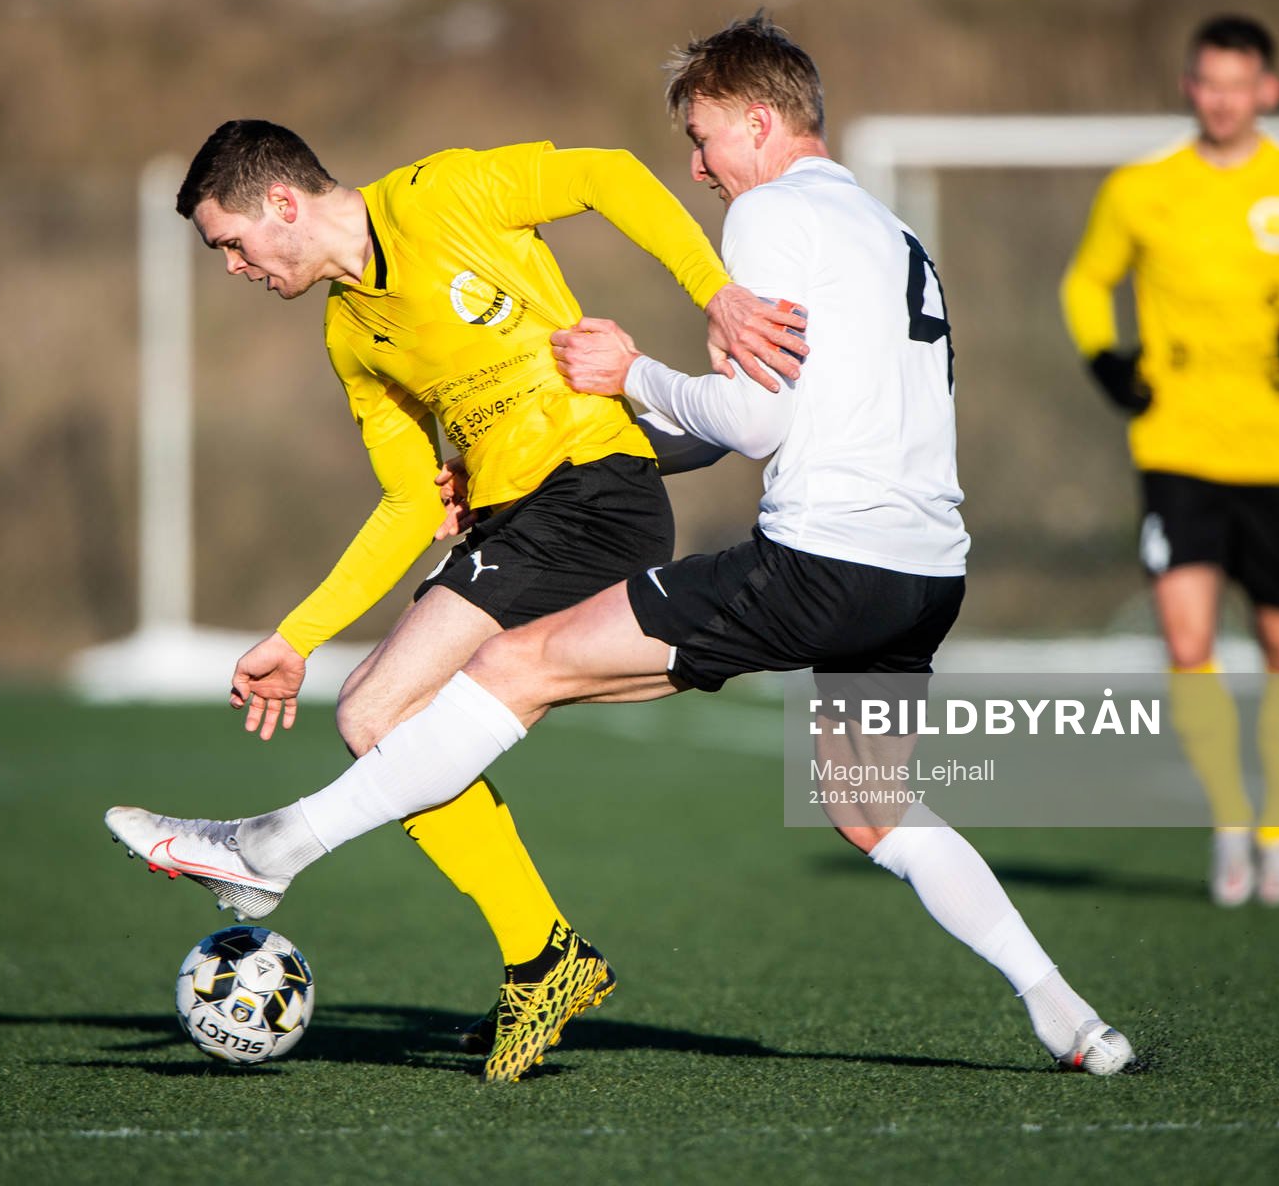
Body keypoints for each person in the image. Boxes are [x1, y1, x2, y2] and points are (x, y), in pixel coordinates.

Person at [110, 14, 1134, 1082]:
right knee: (872, 809)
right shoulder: (888, 231)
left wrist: (632, 370)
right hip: (923, 575)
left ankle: (275, 848)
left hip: (817, 559)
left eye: (702, 139)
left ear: (759, 119)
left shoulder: (770, 212)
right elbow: (805, 411)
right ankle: (1071, 1018)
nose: (695, 168)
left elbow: (755, 426)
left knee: (509, 668)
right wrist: (620, 424)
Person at [140, 119, 808, 1075]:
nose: (236, 267)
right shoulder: (349, 334)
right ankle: (546, 957)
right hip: (516, 522)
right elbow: (413, 500)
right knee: (383, 719)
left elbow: (608, 171)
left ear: (281, 204)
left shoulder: (441, 194)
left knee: (378, 709)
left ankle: (536, 952)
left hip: (590, 493)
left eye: (231, 243)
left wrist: (718, 293)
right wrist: (299, 635)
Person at [1059, 15, 1279, 907]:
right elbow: (1086, 281)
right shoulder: (1142, 188)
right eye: (1207, 82)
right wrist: (1105, 356)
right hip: (1175, 447)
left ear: (1266, 92)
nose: (1221, 99)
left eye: (1237, 84)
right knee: (1186, 640)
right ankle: (1229, 825)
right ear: (1189, 86)